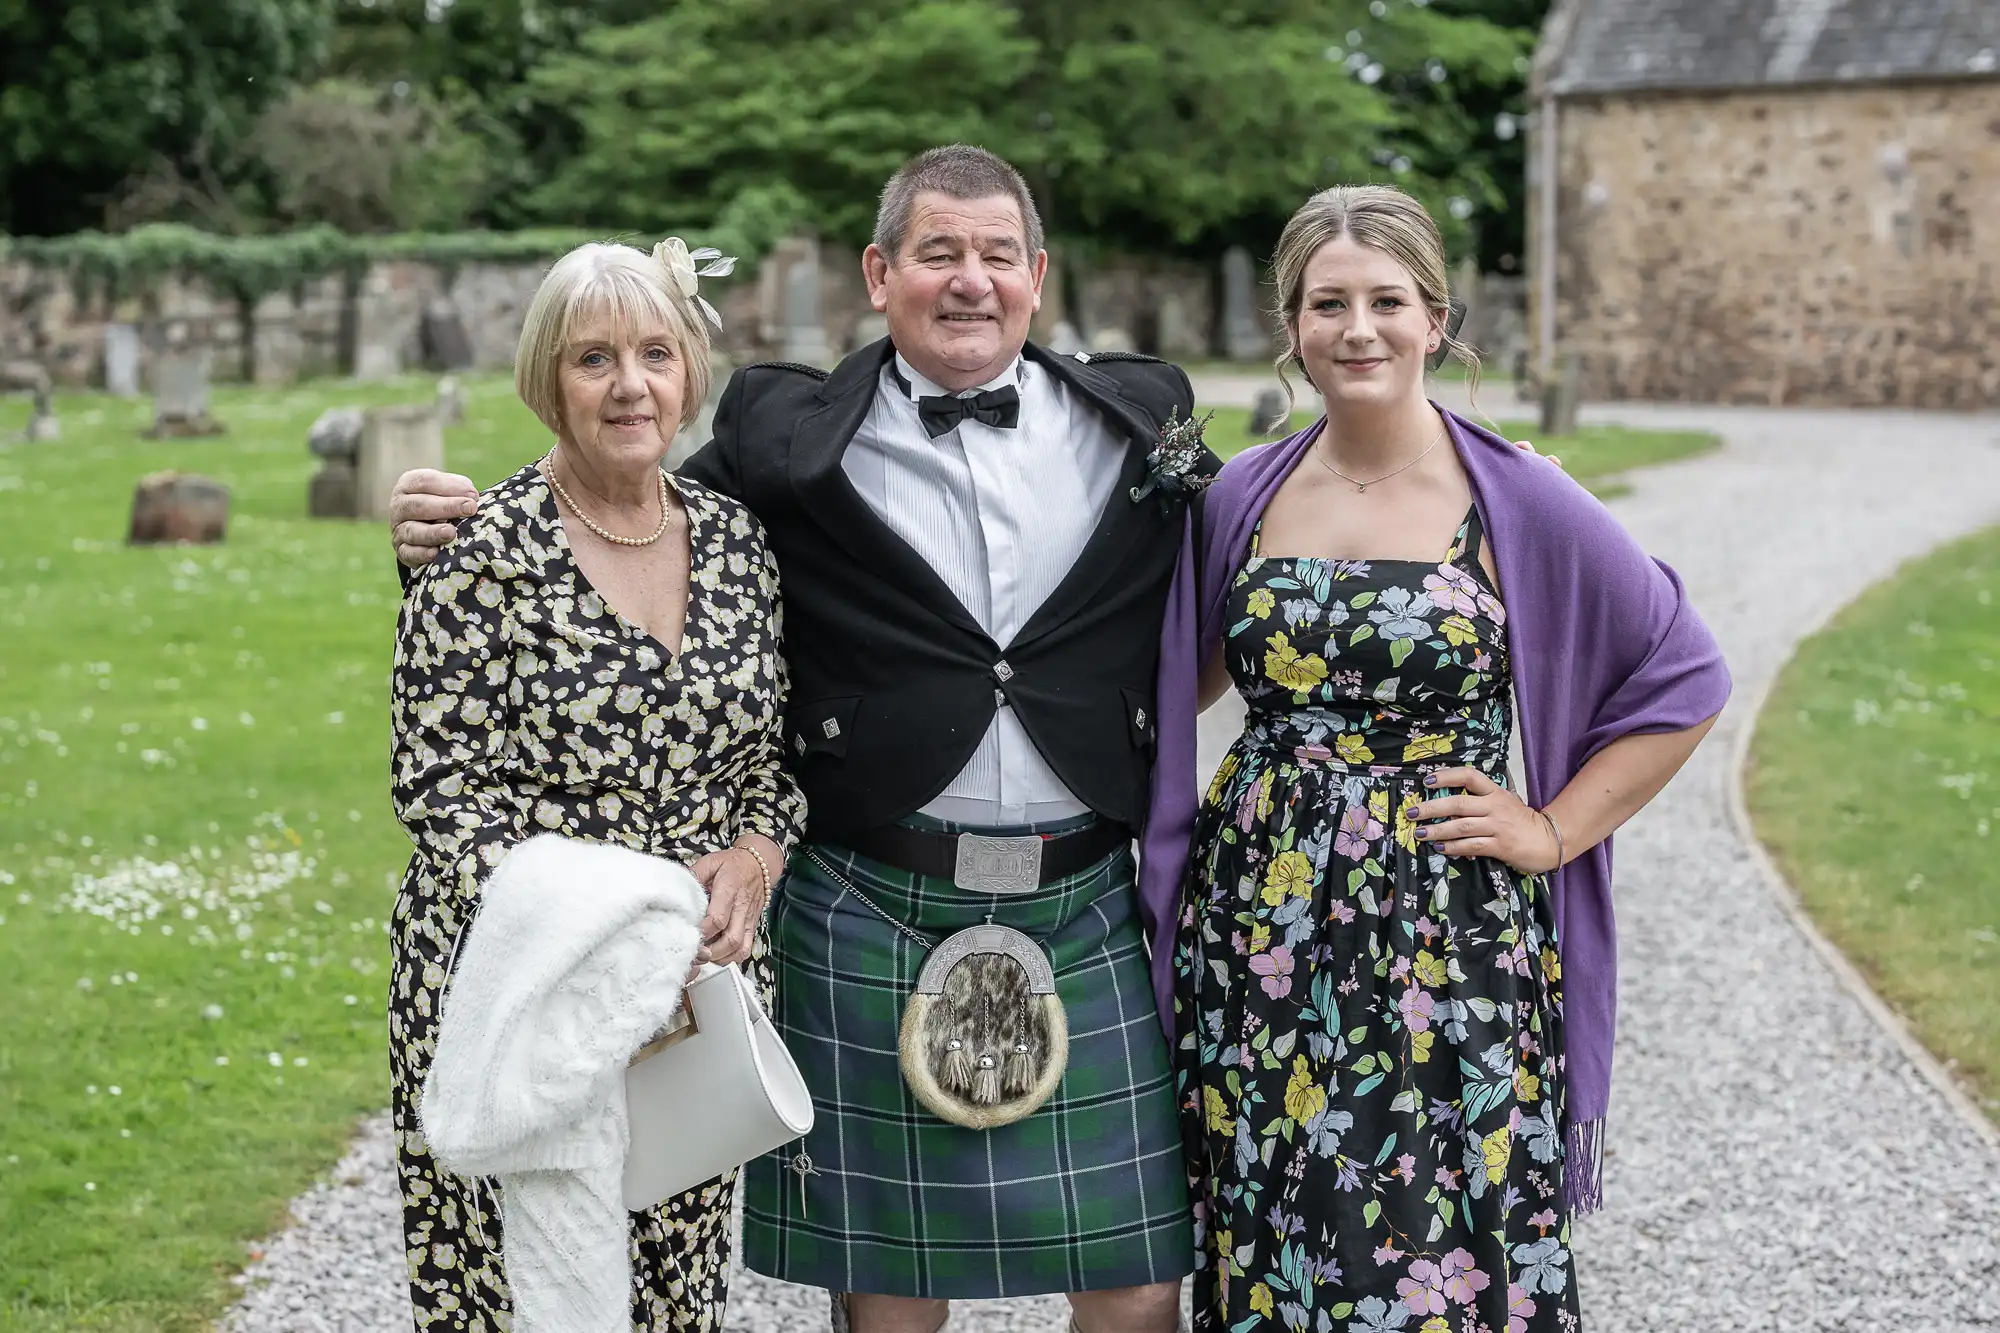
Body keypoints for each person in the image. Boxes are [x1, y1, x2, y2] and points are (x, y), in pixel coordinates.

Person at [392, 146, 1203, 1333]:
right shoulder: (784, 435)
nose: (967, 281)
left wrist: (1473, 494)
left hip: (1077, 894)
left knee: (1137, 1286)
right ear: (880, 273)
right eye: (936, 253)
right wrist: (431, 531)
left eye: (993, 256)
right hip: (867, 895)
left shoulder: (1142, 416)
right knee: (886, 1290)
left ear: (1036, 274)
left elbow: (1248, 565)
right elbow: (610, 496)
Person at [1138, 183, 1732, 1332]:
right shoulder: (1242, 497)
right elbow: (1182, 675)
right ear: (1291, 326)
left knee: (1432, 1234)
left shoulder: (1517, 499)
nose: (1356, 328)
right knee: (1276, 1220)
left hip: (1442, 936)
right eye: (1327, 304)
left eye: (1385, 300)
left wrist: (1552, 827)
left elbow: (1685, 675)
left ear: (1434, 317)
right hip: (1258, 925)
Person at [388, 238, 804, 1333]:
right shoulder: (483, 550)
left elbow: (773, 759)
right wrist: (615, 922)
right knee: (519, 1294)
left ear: (689, 372)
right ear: (546, 383)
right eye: (593, 359)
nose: (630, 385)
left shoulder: (734, 545)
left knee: (670, 1287)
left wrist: (755, 859)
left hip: (682, 1003)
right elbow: (439, 786)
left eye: (655, 353)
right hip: (522, 988)